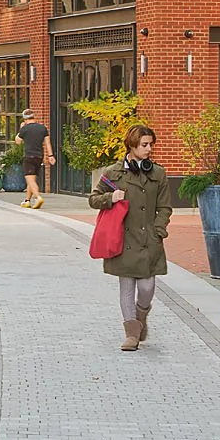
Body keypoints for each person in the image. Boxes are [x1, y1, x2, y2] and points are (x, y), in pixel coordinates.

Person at [89, 124, 176, 351]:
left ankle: (140, 316)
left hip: (149, 238)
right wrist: (111, 197)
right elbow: (93, 199)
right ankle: (131, 333)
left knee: (147, 286)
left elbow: (165, 207)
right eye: (144, 145)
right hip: (123, 238)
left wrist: (159, 230)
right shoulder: (113, 173)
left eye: (151, 145)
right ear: (132, 145)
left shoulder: (158, 173)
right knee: (126, 285)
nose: (149, 149)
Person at [17, 108, 55, 209]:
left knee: (30, 179)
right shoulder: (43, 128)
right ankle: (27, 201)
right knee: (32, 179)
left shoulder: (25, 128)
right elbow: (47, 143)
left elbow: (18, 141)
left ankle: (38, 197)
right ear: (33, 117)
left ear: (25, 119)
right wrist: (50, 156)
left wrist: (20, 129)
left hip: (29, 156)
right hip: (39, 156)